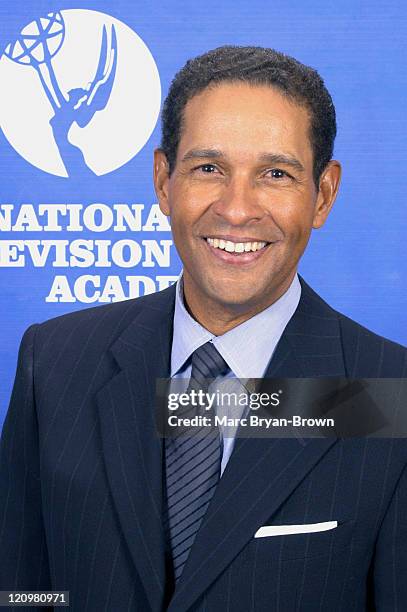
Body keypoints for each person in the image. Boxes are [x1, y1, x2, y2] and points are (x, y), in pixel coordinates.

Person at [1, 46, 406, 612]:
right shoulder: (55, 361)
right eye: (209, 168)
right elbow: (22, 592)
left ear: (324, 194)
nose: (237, 209)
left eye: (275, 173)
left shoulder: (390, 396)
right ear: (165, 182)